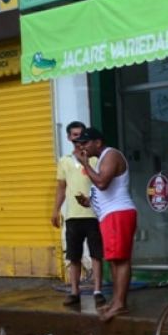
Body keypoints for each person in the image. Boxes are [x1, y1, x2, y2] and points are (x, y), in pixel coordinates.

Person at [72, 127, 135, 322]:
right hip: (110, 215)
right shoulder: (102, 159)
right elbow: (105, 190)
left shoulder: (111, 154)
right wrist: (90, 202)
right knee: (115, 260)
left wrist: (84, 164)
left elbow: (102, 183)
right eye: (79, 143)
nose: (82, 146)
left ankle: (120, 304)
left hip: (118, 214)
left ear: (98, 142)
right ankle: (117, 301)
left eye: (86, 142)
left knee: (121, 260)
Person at [52, 121, 106, 308]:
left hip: (94, 214)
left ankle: (98, 290)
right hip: (73, 215)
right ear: (68, 137)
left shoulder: (94, 159)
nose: (78, 140)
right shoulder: (65, 161)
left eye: (81, 136)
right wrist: (56, 210)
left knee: (96, 255)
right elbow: (61, 187)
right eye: (74, 136)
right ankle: (75, 291)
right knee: (73, 256)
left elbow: (103, 184)